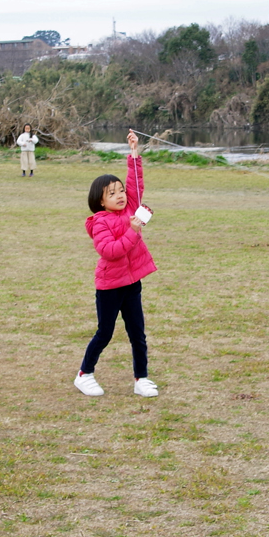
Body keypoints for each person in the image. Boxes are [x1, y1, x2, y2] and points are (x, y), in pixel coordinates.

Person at [74, 130, 159, 399]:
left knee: (138, 333)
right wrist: (133, 231)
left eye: (121, 190)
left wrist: (134, 150)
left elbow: (136, 181)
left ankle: (141, 378)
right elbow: (110, 251)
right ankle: (84, 375)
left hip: (132, 283)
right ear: (101, 201)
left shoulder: (130, 207)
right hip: (110, 286)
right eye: (113, 193)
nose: (121, 195)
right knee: (105, 332)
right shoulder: (100, 222)